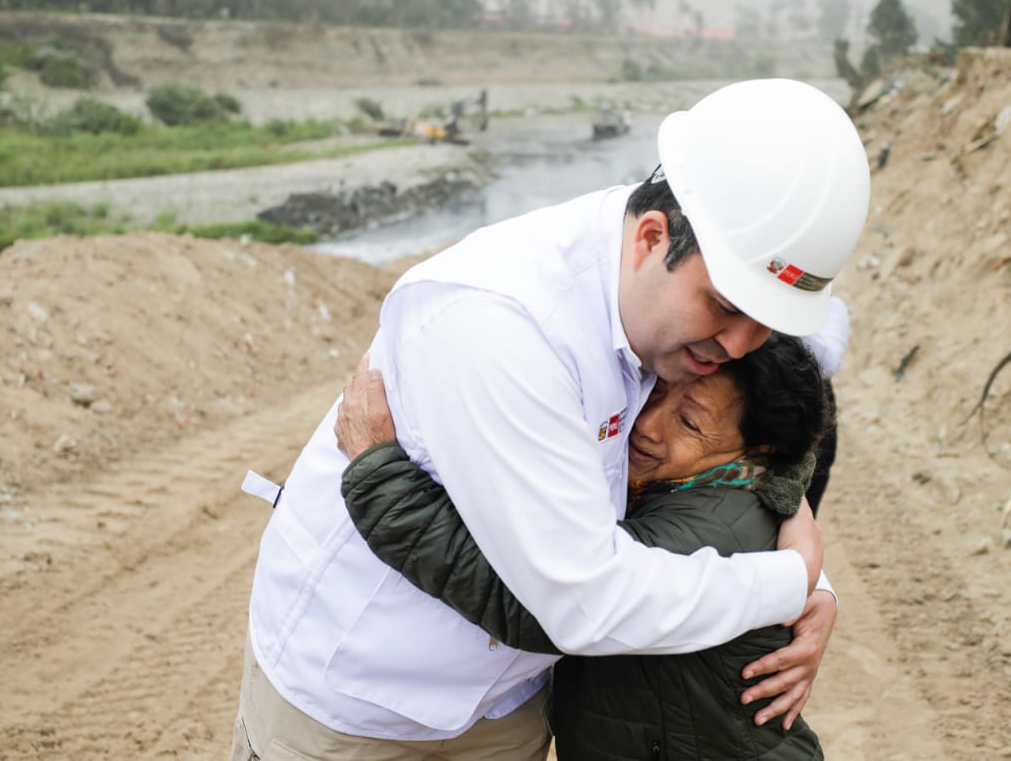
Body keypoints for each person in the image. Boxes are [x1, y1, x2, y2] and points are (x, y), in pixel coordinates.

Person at [232, 79, 870, 759]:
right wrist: (789, 580)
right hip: (357, 704)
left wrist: (806, 567)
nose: (740, 345)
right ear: (652, 238)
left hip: (506, 710)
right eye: (724, 307)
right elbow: (582, 599)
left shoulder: (675, 319)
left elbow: (745, 451)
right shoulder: (505, 326)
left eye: (764, 323)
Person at [339, 333, 835, 759]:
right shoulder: (711, 480)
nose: (647, 423)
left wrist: (382, 480)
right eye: (657, 389)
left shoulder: (701, 528)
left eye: (688, 423)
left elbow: (539, 606)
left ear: (758, 450)